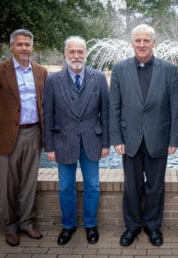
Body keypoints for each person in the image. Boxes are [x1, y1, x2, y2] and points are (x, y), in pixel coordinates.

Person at [109, 24, 178, 247]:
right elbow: (114, 107)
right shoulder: (119, 69)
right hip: (129, 140)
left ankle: (152, 227)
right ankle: (131, 227)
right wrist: (116, 139)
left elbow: (174, 107)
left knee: (155, 187)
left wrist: (173, 139)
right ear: (132, 43)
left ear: (153, 43)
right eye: (138, 40)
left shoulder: (169, 69)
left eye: (146, 40)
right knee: (131, 187)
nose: (142, 44)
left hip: (158, 139)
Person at [0, 29, 47, 246]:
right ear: (11, 46)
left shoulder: (41, 71)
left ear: (32, 46)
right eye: (20, 44)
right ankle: (10, 226)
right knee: (8, 184)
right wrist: (2, 126)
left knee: (28, 183)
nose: (24, 48)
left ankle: (26, 223)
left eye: (27, 44)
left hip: (34, 133)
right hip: (7, 136)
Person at [43, 36, 109, 245]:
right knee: (65, 187)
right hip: (63, 142)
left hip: (92, 142)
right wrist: (49, 146)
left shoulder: (98, 78)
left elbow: (105, 113)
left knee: (93, 186)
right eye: (72, 52)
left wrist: (106, 143)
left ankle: (90, 225)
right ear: (65, 54)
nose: (76, 56)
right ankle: (68, 226)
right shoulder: (53, 80)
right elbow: (48, 115)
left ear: (86, 54)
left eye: (80, 52)